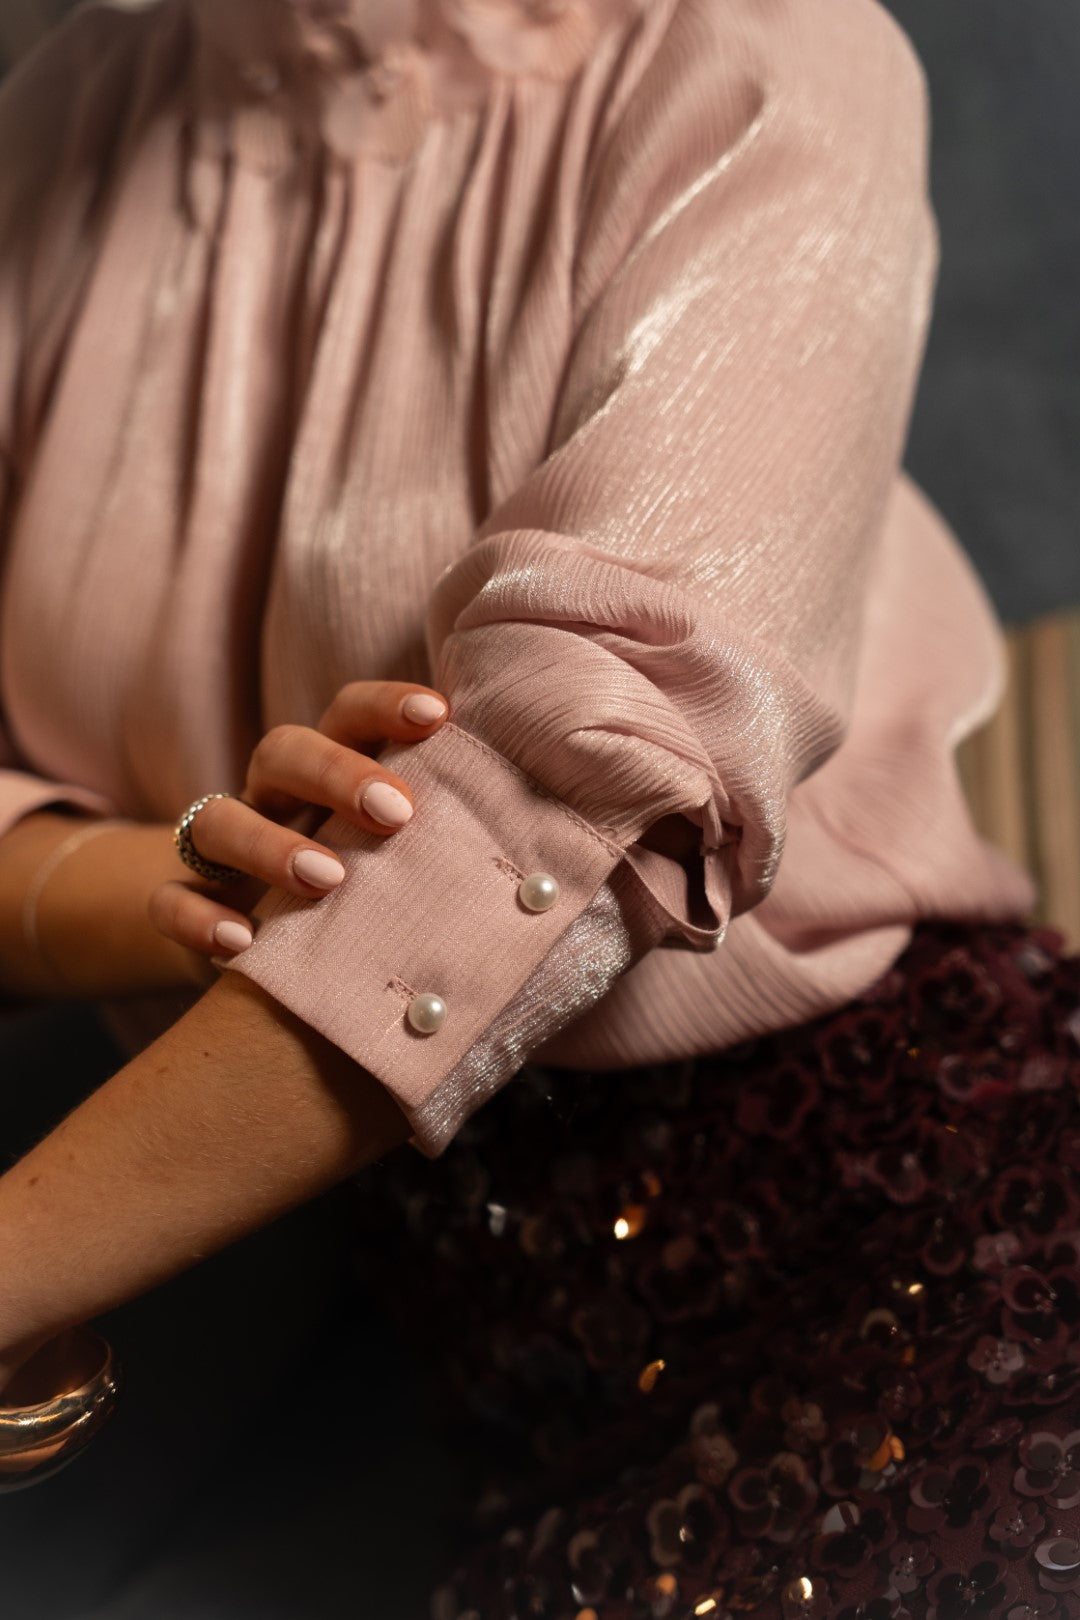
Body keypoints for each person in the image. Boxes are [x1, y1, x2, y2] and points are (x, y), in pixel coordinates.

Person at [1, 0, 1076, 1613]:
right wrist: (199, 872)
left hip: (925, 1245)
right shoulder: (63, 119)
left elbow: (593, 787)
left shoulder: (759, 51)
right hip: (503, 1393)